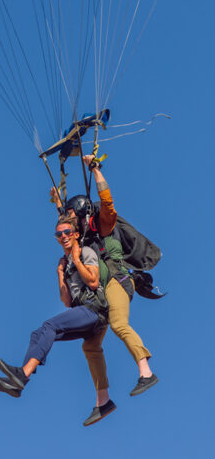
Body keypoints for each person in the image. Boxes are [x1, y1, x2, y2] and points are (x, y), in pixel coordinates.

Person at [0, 215, 117, 426]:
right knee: (38, 333)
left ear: (76, 235)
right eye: (59, 234)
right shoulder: (65, 264)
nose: (63, 236)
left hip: (94, 310)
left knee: (50, 325)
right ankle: (19, 381)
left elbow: (93, 282)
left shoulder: (85, 252)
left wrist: (76, 259)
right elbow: (66, 301)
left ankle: (23, 375)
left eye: (67, 233)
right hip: (83, 314)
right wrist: (60, 272)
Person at [51, 155, 159, 400]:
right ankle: (103, 400)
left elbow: (107, 202)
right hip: (100, 292)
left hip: (117, 282)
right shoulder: (83, 236)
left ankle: (146, 372)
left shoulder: (104, 224)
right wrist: (58, 199)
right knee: (90, 345)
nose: (69, 224)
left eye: (71, 217)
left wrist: (95, 169)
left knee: (119, 324)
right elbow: (64, 230)